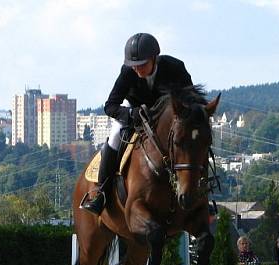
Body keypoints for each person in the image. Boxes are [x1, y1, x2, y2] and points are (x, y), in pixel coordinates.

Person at [79, 33, 193, 215]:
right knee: (115, 136)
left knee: (193, 139)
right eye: (134, 66)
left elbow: (191, 99)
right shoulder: (127, 72)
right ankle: (101, 192)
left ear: (154, 58)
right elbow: (110, 106)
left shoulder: (174, 67)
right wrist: (130, 114)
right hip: (135, 112)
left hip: (166, 118)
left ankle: (201, 193)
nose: (137, 70)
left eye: (142, 65)